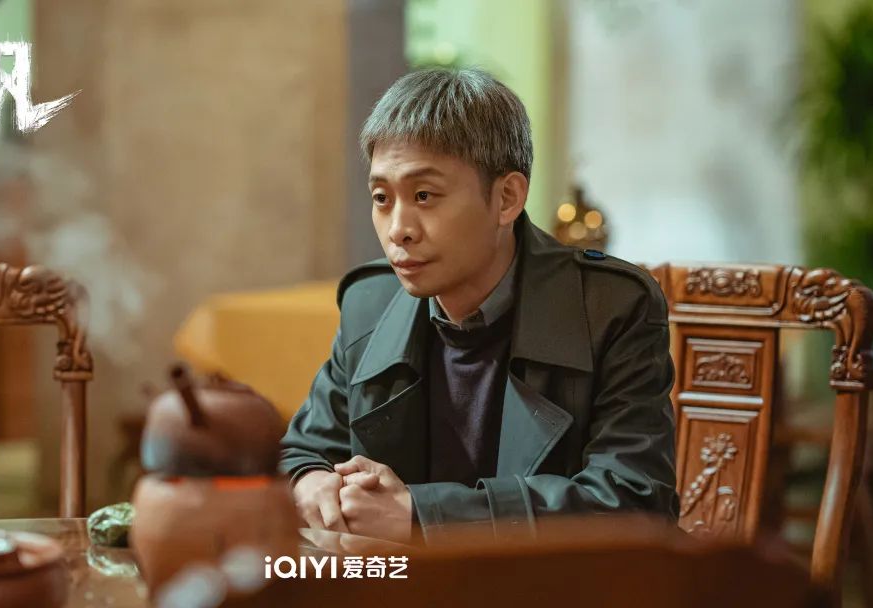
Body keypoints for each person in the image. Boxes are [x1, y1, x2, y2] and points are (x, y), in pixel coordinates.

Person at [279, 68, 678, 544]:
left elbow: (633, 501)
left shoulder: (610, 307)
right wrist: (312, 483)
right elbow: (302, 451)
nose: (398, 229)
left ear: (506, 198)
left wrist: (422, 516)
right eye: (382, 198)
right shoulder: (372, 301)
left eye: (424, 195)